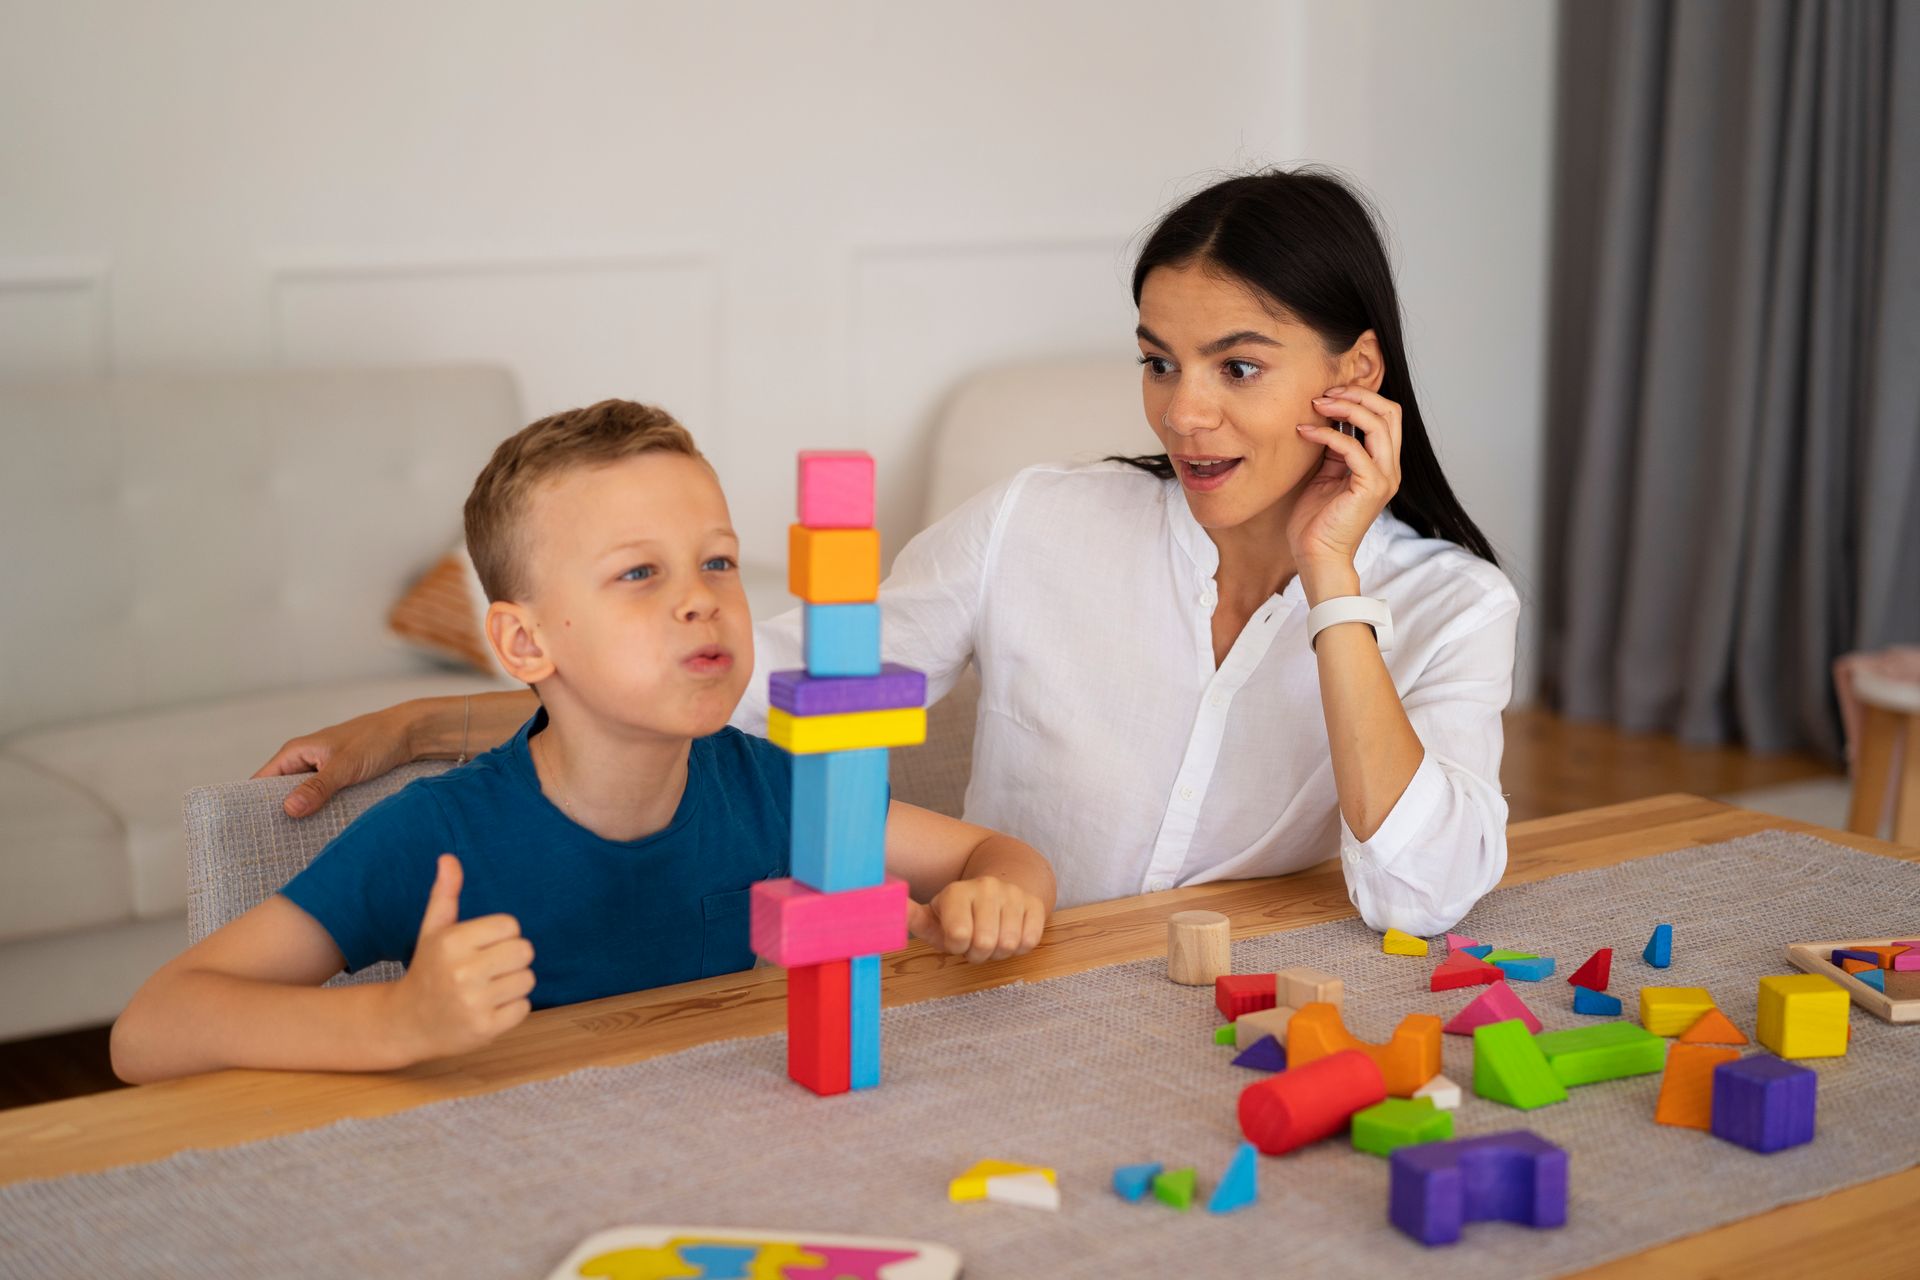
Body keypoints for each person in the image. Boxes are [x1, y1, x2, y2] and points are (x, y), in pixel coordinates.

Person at [255, 166, 1518, 938]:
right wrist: (425, 728)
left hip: (1233, 1019)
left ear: (1356, 373)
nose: (1184, 411)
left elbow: (1418, 891)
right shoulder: (1038, 517)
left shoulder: (1452, 602)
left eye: (1238, 366)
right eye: (1157, 359)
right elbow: (744, 688)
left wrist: (1334, 578)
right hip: (1001, 990)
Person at [112, 402, 1055, 1084]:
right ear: (525, 643)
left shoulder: (773, 785)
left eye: (717, 561)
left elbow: (987, 854)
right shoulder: (439, 834)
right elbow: (152, 1027)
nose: (701, 597)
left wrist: (1001, 893)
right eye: (639, 572)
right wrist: (396, 1020)